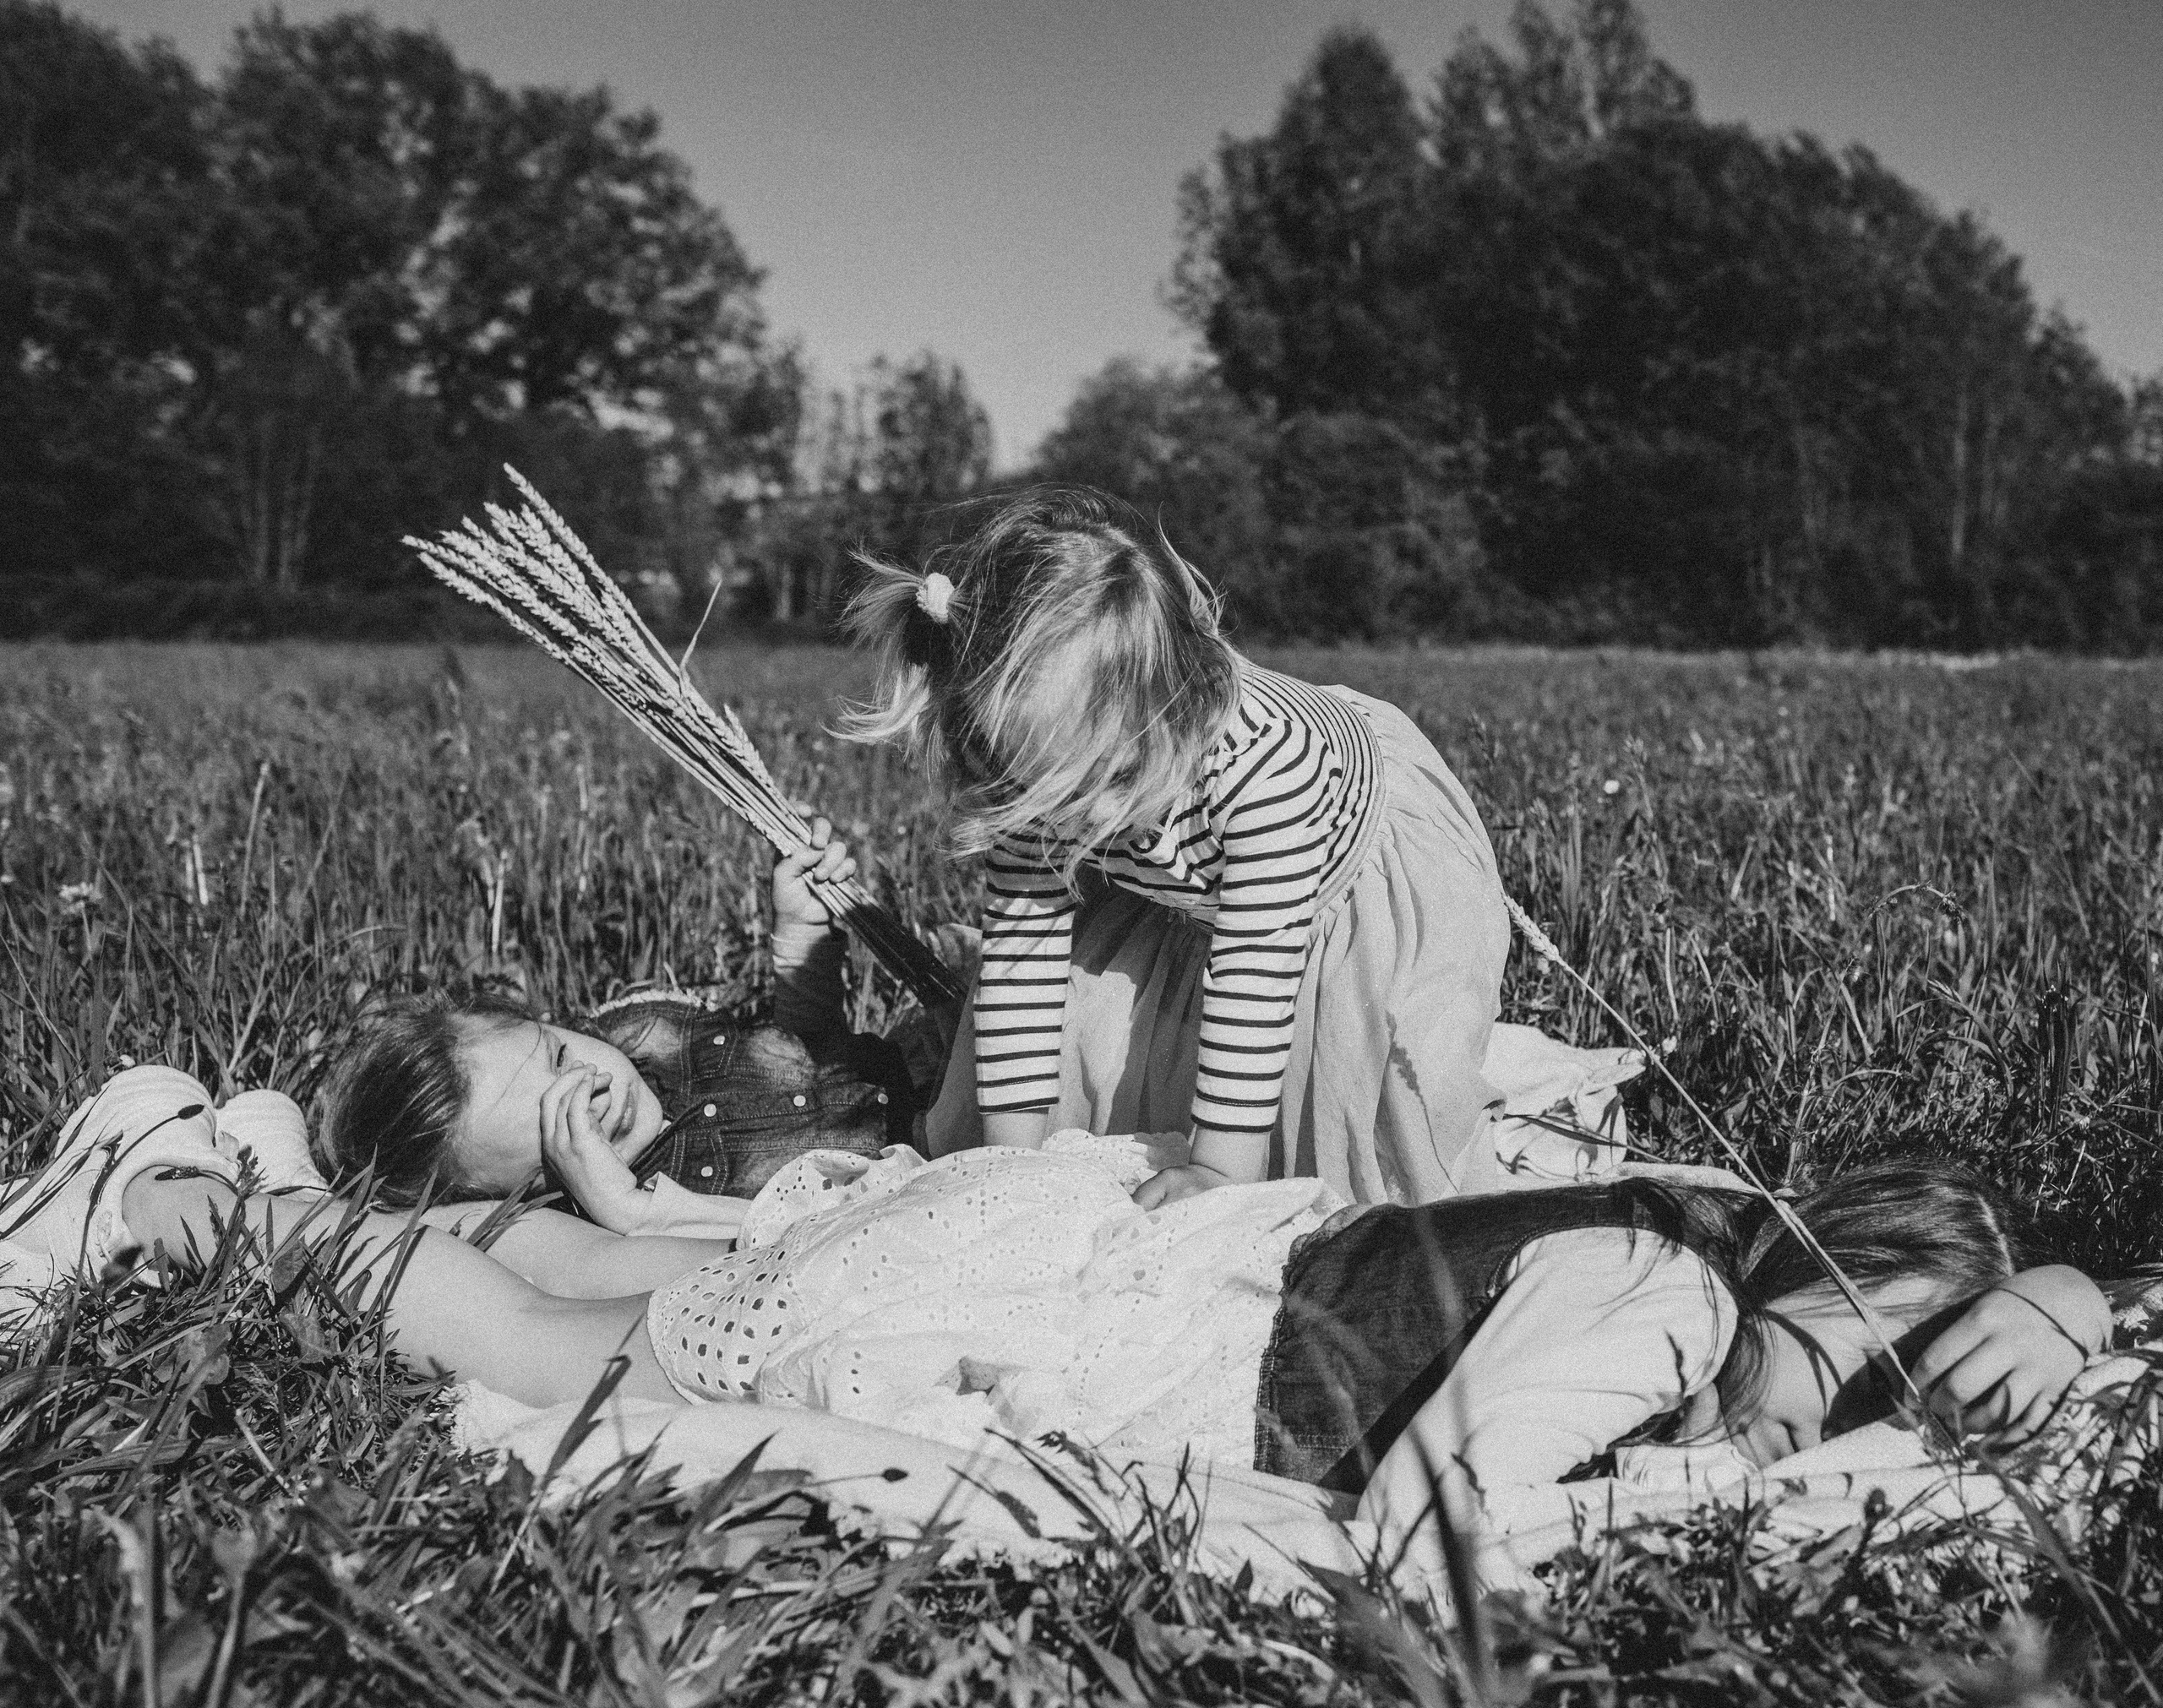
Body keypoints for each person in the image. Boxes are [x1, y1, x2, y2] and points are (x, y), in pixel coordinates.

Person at [12, 1069, 2111, 1596]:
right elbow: (1431, 1523)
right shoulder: (1659, 1295)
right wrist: (1726, 1462)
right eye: (1861, 1353)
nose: (1844, 1393)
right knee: (592, 1374)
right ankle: (244, 1216)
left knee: (651, 1289)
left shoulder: (1670, 1239)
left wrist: (2059, 1290)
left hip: (1075, 1236)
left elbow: (2063, 1301)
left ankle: (269, 1181)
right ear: (1812, 1273)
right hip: (1135, 1330)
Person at [843, 487, 1513, 1211]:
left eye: (1116, 778)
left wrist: (1218, 1174)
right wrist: (1008, 1166)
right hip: (1195, 887)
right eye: (1062, 795)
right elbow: (1019, 965)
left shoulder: (1266, 775)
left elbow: (1255, 973)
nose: (1089, 819)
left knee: (1371, 1107)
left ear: (1174, 704)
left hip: (1354, 875)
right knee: (1085, 1047)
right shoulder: (1040, 776)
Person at [319, 823, 964, 1234]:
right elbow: (822, 1238)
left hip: (921, 1061)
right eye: (562, 1122)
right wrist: (639, 1212)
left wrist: (801, 935)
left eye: (559, 1054)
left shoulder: (644, 1030)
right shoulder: (623, 1221)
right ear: (510, 1196)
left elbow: (799, 1052)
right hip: (940, 1168)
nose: (595, 1085)